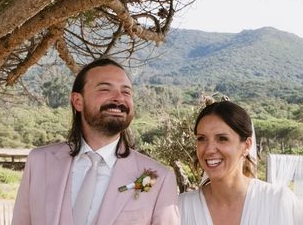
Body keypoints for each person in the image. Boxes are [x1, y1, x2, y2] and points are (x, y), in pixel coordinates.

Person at [11, 57, 180, 225]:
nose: (119, 98)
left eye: (126, 92)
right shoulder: (39, 162)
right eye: (105, 89)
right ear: (78, 101)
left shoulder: (157, 178)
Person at [178, 101, 303, 225]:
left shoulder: (279, 202)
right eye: (202, 139)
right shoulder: (180, 208)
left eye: (222, 138)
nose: (209, 149)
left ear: (246, 145)